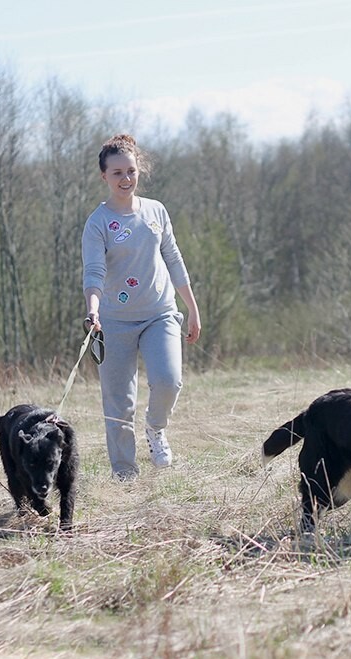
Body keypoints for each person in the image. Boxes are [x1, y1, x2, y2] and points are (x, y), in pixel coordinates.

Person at [81, 134, 202, 479]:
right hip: (114, 321)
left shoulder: (156, 211)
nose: (126, 179)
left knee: (169, 380)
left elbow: (173, 259)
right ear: (104, 176)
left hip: (160, 313)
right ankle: (124, 472)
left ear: (139, 172)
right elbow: (94, 271)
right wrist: (93, 310)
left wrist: (191, 307)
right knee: (119, 405)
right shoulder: (98, 223)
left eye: (131, 171)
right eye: (117, 172)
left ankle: (155, 428)